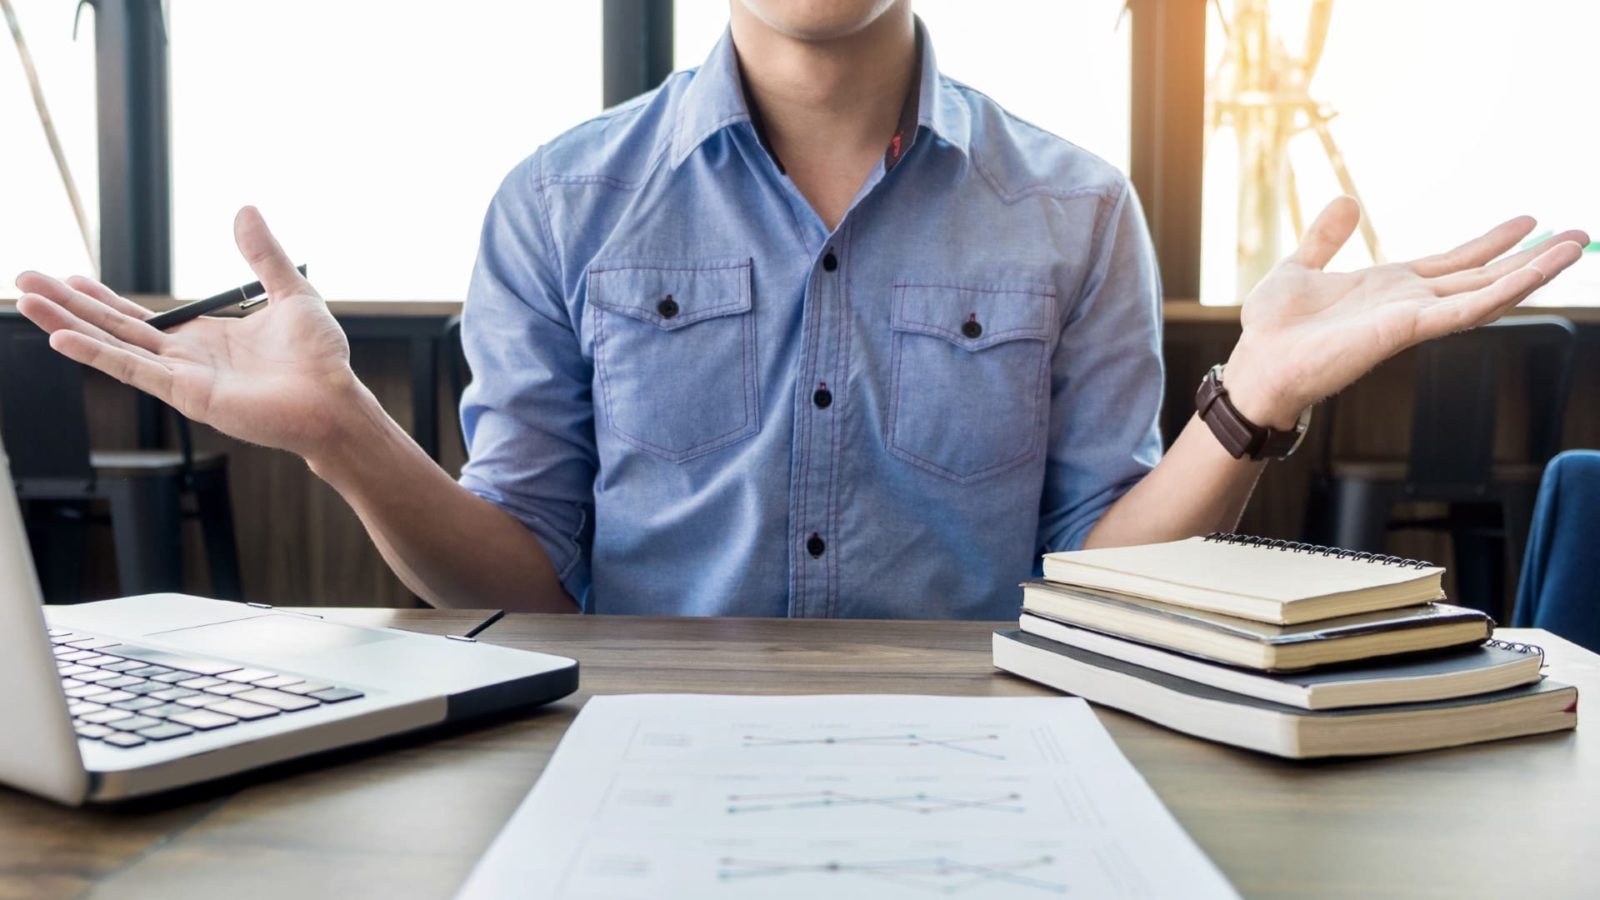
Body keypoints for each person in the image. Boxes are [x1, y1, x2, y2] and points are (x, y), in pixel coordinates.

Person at [12, 1, 1587, 618]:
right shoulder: (557, 201)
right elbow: (528, 584)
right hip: (617, 762)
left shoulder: (1078, 205)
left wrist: (1257, 397)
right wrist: (350, 437)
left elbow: (1100, 581)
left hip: (999, 768)